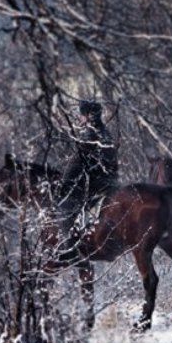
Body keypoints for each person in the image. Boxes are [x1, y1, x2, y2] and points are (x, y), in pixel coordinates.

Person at [56, 100, 119, 259]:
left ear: (88, 115)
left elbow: (76, 164)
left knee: (65, 206)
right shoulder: (104, 133)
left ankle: (69, 249)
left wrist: (65, 182)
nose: (79, 118)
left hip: (96, 184)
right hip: (109, 182)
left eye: (81, 114)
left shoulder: (90, 135)